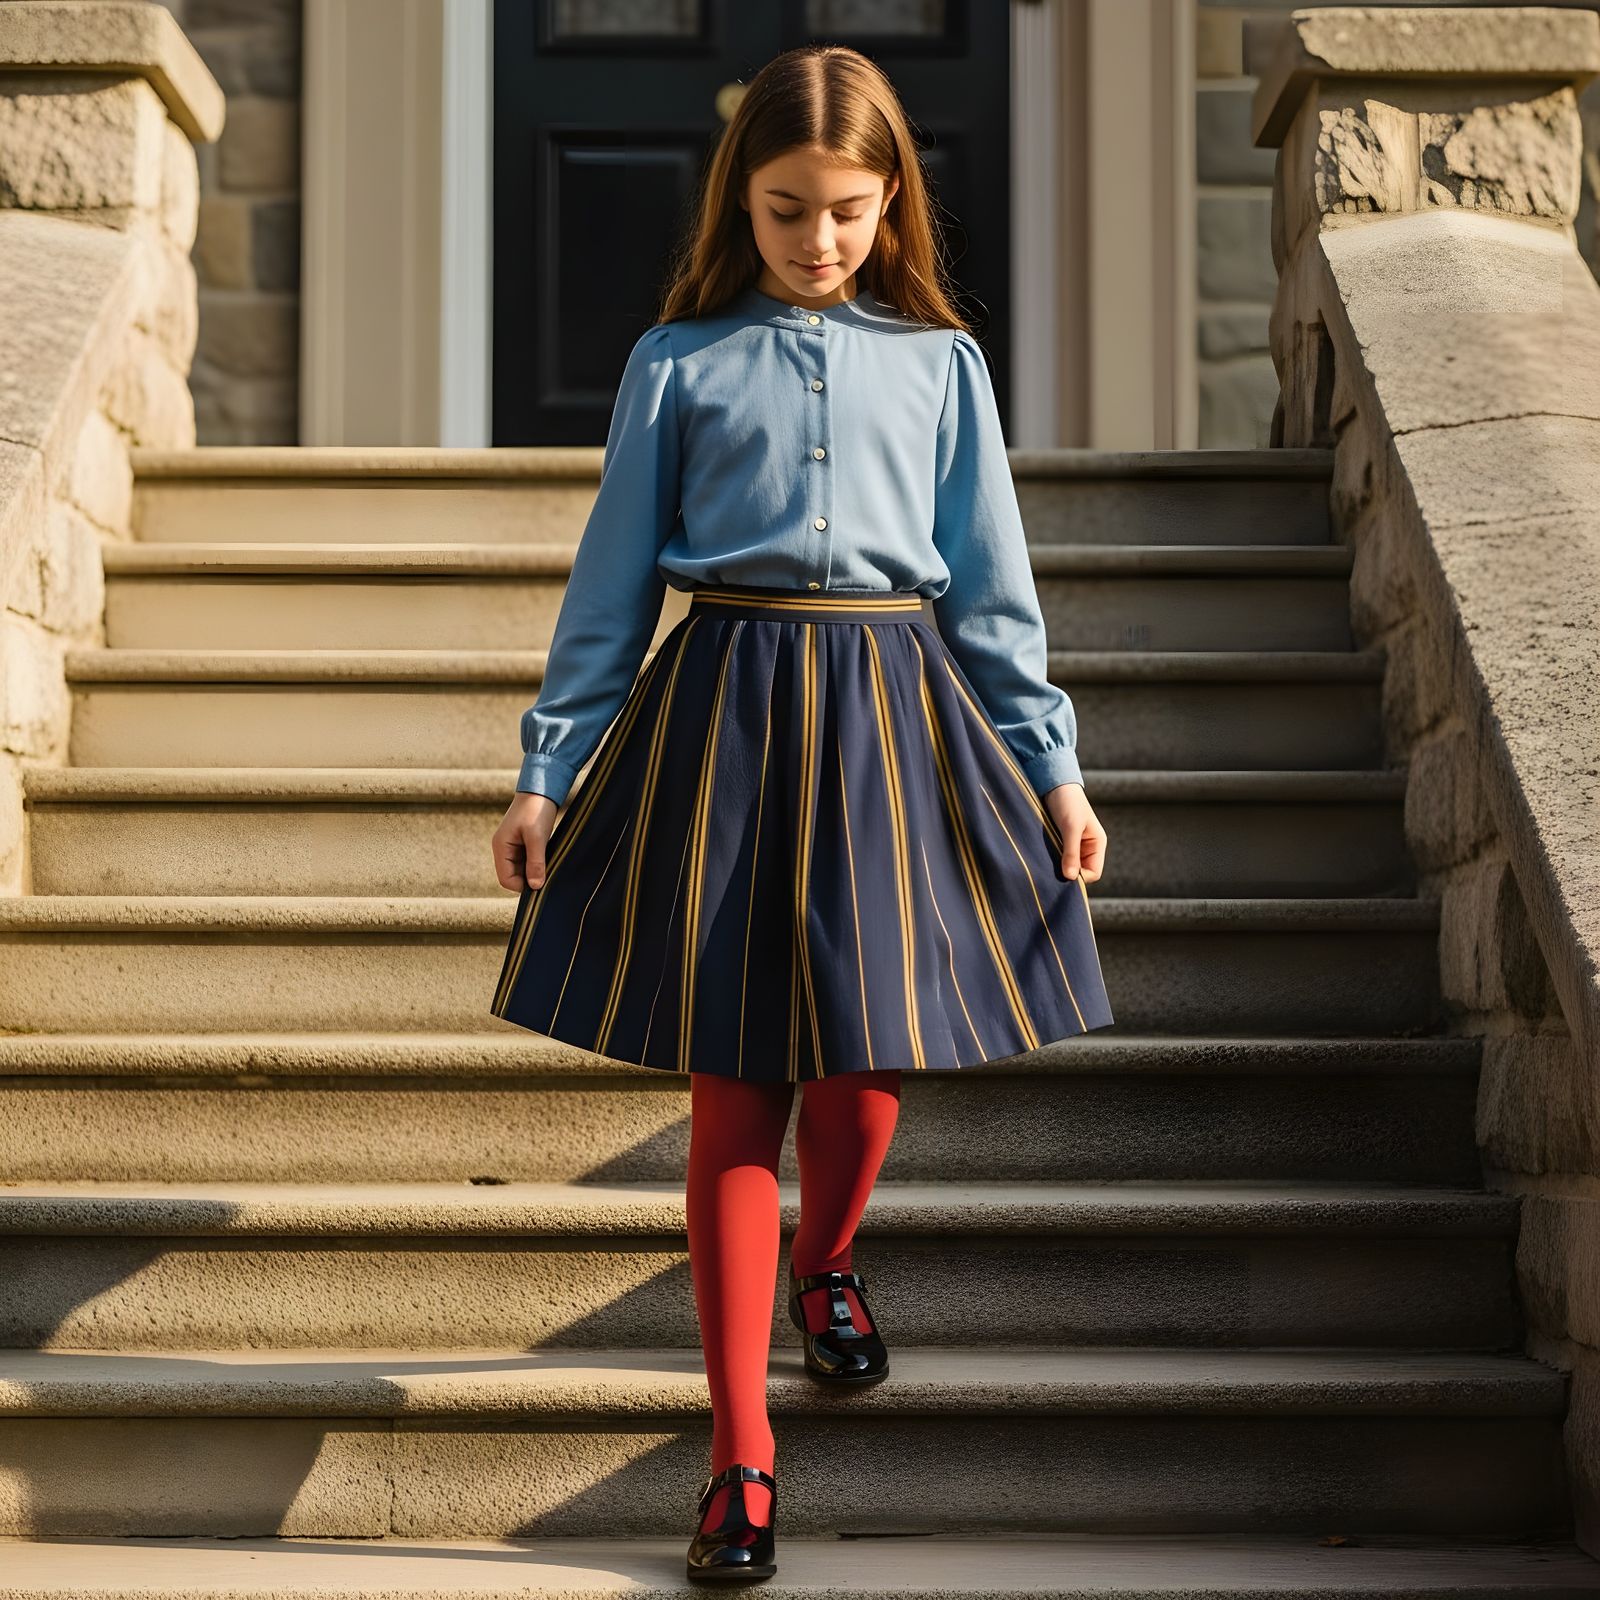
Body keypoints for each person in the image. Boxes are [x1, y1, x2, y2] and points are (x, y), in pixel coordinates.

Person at [488, 41, 1114, 1585]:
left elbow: (994, 597)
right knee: (734, 1085)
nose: (816, 239)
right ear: (740, 201)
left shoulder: (942, 366)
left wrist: (1051, 767)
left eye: (845, 210)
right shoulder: (676, 362)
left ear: (891, 202)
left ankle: (825, 1259)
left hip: (894, 710)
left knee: (870, 1054)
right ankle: (740, 1457)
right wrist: (548, 769)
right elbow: (610, 590)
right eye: (784, 211)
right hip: (724, 716)